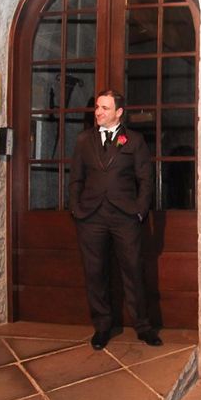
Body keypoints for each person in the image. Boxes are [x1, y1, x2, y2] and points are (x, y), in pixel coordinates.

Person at [69, 89, 162, 350]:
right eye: (97, 107)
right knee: (95, 273)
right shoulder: (83, 140)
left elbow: (145, 180)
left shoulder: (134, 140)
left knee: (133, 270)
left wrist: (140, 210)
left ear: (119, 112)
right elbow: (75, 178)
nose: (98, 112)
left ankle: (143, 326)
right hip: (91, 217)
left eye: (105, 108)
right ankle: (102, 327)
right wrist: (76, 209)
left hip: (125, 216)